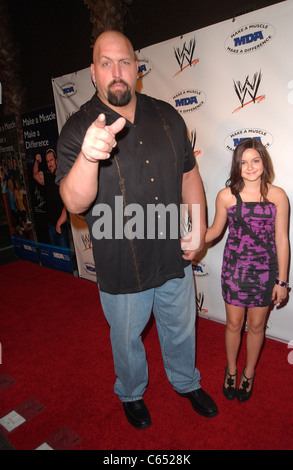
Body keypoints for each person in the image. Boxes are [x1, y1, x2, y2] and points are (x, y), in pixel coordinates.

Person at [56, 30, 218, 429]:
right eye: (106, 63)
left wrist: (198, 229)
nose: (116, 71)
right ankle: (131, 392)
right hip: (120, 262)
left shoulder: (167, 115)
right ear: (93, 72)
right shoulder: (79, 129)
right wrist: (89, 158)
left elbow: (189, 176)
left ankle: (185, 382)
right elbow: (74, 202)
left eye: (124, 61)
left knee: (181, 328)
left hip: (172, 256)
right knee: (127, 341)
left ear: (137, 68)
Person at [205, 138, 289, 402]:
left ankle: (249, 373)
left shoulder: (278, 195)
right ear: (236, 165)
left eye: (255, 160)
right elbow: (215, 231)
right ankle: (231, 370)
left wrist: (282, 281)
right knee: (233, 324)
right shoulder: (226, 196)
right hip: (235, 271)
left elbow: (282, 239)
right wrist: (192, 238)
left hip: (265, 273)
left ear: (264, 162)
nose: (250, 167)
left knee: (256, 326)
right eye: (243, 162)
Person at [33, 149, 69, 247]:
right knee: (55, 256)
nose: (50, 164)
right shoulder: (47, 177)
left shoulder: (64, 177)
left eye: (51, 160)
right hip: (50, 225)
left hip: (61, 226)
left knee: (64, 257)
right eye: (48, 161)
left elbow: (68, 203)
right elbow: (35, 175)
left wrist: (59, 222)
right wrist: (36, 162)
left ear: (56, 160)